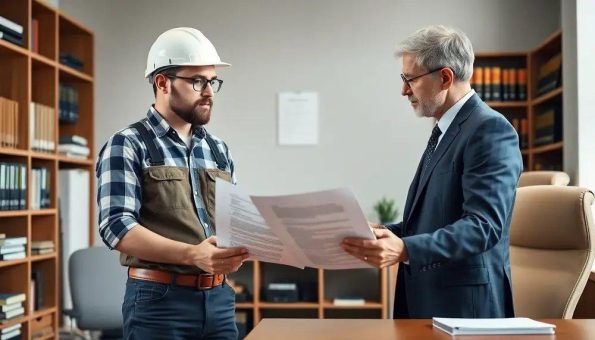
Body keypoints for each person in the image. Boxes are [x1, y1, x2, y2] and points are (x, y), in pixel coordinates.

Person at [342, 25, 522, 318]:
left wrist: (406, 250)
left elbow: (483, 226)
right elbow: (437, 219)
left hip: (464, 311)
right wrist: (384, 233)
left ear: (445, 78)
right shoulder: (446, 130)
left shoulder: (490, 129)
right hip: (429, 301)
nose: (403, 91)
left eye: (409, 79)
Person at [96, 27, 249, 339]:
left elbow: (237, 223)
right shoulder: (127, 144)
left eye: (212, 81)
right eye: (197, 81)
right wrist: (192, 255)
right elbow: (116, 227)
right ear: (162, 83)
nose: (208, 91)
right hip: (159, 303)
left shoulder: (218, 150)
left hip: (219, 300)